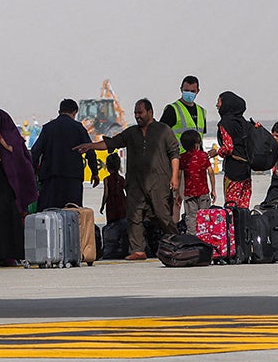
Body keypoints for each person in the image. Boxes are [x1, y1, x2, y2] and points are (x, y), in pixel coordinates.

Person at [84, 99, 180, 259]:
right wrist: (90, 146)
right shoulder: (131, 133)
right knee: (134, 216)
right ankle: (138, 249)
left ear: (150, 112)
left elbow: (174, 153)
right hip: (135, 183)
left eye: (140, 113)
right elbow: (112, 143)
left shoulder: (163, 131)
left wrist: (174, 177)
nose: (137, 116)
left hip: (158, 182)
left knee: (162, 214)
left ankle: (177, 242)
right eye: (135, 113)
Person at [0, 108, 38, 266]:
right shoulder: (15, 139)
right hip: (14, 191)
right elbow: (25, 163)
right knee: (13, 223)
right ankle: (12, 256)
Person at [30, 98, 95, 210]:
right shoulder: (78, 128)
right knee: (72, 214)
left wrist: (33, 171)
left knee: (50, 215)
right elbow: (89, 150)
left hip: (51, 179)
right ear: (74, 112)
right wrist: (95, 172)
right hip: (73, 180)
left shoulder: (48, 128)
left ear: (59, 111)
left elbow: (35, 151)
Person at [215, 91, 254, 212]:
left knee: (231, 205)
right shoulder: (245, 123)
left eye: (219, 101)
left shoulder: (225, 123)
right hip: (246, 169)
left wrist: (217, 152)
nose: (217, 105)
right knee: (243, 206)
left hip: (233, 171)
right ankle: (244, 228)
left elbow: (228, 147)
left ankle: (232, 229)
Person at [177, 129, 215, 223]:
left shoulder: (182, 158)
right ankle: (204, 235)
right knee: (205, 217)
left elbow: (179, 175)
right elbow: (211, 172)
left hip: (189, 194)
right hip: (203, 192)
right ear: (197, 144)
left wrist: (178, 192)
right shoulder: (203, 156)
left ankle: (192, 235)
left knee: (191, 217)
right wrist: (213, 189)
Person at [159, 76, 209, 145]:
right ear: (181, 89)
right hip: (178, 154)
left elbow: (201, 136)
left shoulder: (201, 111)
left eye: (192, 91)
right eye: (186, 90)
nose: (189, 94)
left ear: (198, 91)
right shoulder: (172, 109)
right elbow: (160, 134)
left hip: (197, 154)